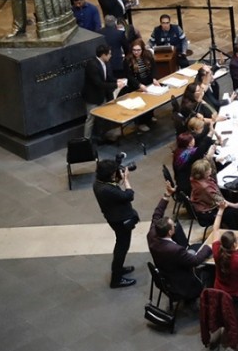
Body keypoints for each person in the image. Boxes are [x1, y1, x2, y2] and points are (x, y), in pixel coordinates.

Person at [148, 181, 212, 302]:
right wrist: (209, 247)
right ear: (170, 232)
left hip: (167, 273)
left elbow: (157, 213)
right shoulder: (175, 250)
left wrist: (167, 195)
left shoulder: (152, 233)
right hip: (183, 285)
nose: (175, 226)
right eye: (173, 226)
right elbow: (195, 260)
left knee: (196, 249)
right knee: (209, 269)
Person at [93, 160, 139, 288]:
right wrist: (127, 179)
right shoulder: (107, 189)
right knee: (122, 247)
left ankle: (119, 269)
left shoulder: (98, 183)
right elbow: (128, 195)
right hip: (120, 220)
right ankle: (116, 279)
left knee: (121, 245)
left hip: (113, 216)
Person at [83, 44, 126, 141]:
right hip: (92, 97)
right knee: (90, 119)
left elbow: (109, 77)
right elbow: (98, 83)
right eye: (109, 54)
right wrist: (116, 85)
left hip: (102, 95)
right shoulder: (92, 65)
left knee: (103, 117)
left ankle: (102, 136)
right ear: (103, 55)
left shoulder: (106, 63)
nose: (111, 56)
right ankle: (86, 140)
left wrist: (117, 81)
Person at [210, 202, 238, 302]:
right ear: (234, 245)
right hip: (236, 294)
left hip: (220, 290)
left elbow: (215, 229)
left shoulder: (216, 250)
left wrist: (221, 209)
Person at [121, 38, 157, 132]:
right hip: (136, 85)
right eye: (134, 50)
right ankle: (140, 123)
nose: (136, 52)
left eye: (138, 50)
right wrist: (139, 85)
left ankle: (150, 117)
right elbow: (129, 76)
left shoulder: (148, 55)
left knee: (150, 102)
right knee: (140, 104)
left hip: (148, 82)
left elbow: (153, 68)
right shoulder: (128, 60)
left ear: (142, 49)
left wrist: (154, 78)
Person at [172, 130, 216, 197]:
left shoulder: (179, 152)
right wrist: (210, 134)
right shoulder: (190, 154)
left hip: (181, 181)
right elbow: (201, 149)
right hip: (188, 186)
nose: (194, 139)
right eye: (193, 139)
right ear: (189, 143)